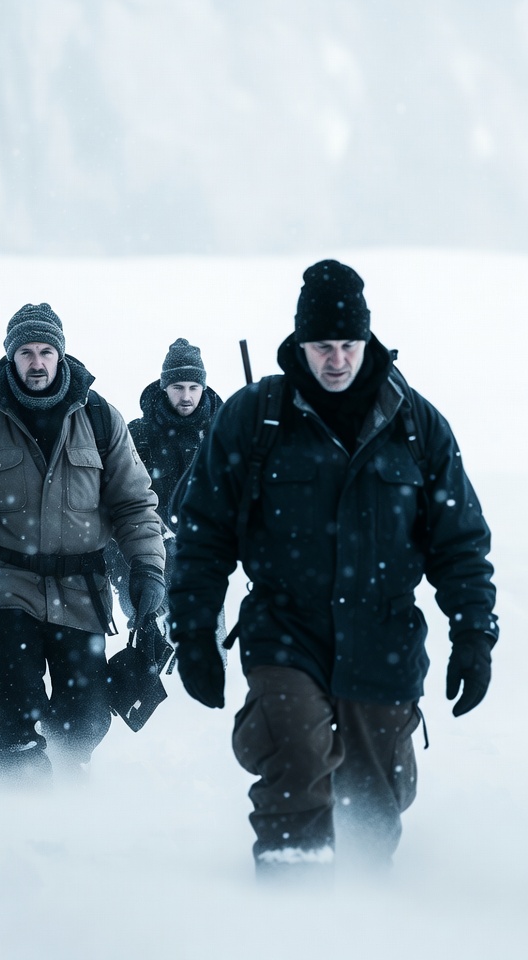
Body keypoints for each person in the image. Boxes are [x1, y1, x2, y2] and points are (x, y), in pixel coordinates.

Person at [169, 260, 498, 879]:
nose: (338, 360)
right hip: (285, 630)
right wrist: (193, 633)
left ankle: (362, 911)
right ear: (301, 343)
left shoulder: (415, 424)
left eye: (349, 344)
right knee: (295, 752)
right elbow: (203, 534)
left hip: (383, 637)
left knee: (373, 804)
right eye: (323, 346)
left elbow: (460, 544)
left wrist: (474, 635)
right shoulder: (254, 417)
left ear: (368, 340)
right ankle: (292, 897)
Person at [0, 303, 165, 789]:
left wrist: (148, 567)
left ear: (60, 355)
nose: (36, 362)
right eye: (26, 352)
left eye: (45, 351)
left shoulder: (99, 417)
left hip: (81, 591)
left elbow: (135, 503)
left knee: (85, 718)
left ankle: (68, 791)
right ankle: (21, 800)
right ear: (10, 356)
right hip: (6, 584)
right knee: (10, 702)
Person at [111, 338, 223, 623]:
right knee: (148, 638)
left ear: (203, 388)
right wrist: (124, 573)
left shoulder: (222, 435)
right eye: (178, 387)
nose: (186, 396)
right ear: (164, 387)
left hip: (207, 564)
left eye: (193, 387)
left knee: (207, 647)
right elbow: (115, 502)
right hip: (152, 559)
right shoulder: (138, 435)